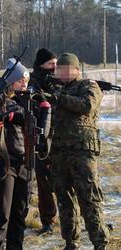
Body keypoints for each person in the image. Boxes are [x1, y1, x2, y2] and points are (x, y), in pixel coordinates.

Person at [50, 53, 110, 250]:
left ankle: (100, 242)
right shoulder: (57, 89)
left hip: (82, 152)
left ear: (76, 69)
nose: (59, 72)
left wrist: (60, 97)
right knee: (64, 200)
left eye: (64, 68)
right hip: (60, 153)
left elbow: (87, 106)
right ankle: (71, 241)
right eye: (58, 68)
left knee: (89, 198)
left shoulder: (88, 86)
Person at [0, 58, 31, 250]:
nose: (24, 84)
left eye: (26, 81)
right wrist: (8, 112)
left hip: (24, 162)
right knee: (2, 215)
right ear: (11, 80)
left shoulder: (27, 99)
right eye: (21, 80)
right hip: (4, 162)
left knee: (19, 215)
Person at [28, 48, 58, 234]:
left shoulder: (57, 82)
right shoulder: (33, 85)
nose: (54, 68)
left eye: (56, 64)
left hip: (60, 138)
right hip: (41, 140)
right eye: (50, 64)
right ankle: (48, 220)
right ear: (41, 65)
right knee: (44, 182)